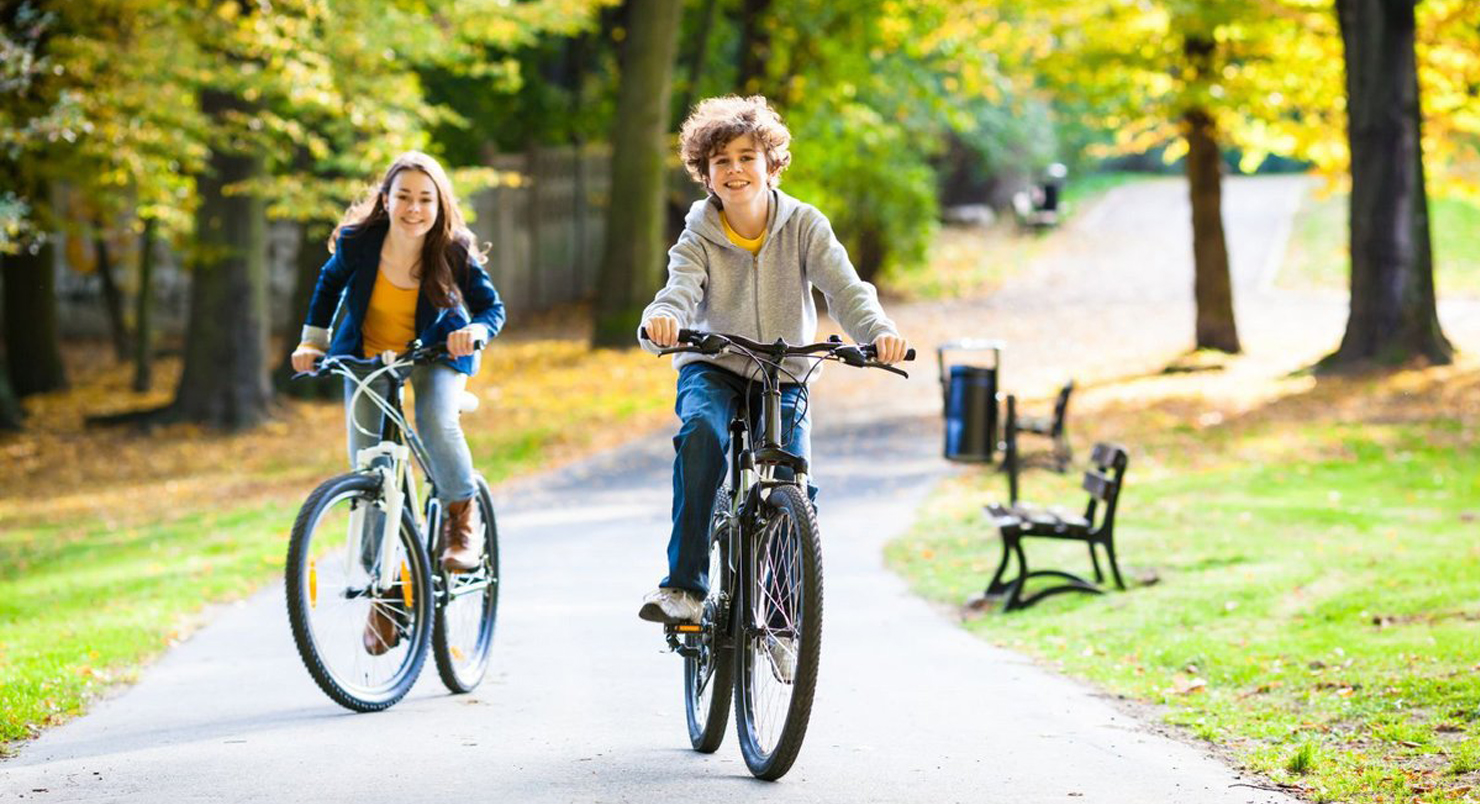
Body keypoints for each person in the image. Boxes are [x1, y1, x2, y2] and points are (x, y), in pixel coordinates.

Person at [636, 95, 909, 627]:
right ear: (706, 174)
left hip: (785, 369)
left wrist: (879, 332)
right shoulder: (699, 233)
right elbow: (678, 290)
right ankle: (684, 588)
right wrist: (662, 320)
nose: (735, 169)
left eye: (745, 157)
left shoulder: (805, 225)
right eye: (721, 162)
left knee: (790, 477)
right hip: (713, 363)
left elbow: (847, 290)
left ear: (771, 163)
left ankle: (783, 620)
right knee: (701, 436)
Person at [290, 151, 505, 654]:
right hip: (367, 356)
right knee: (370, 471)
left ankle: (460, 520)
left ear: (440, 204)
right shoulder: (358, 241)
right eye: (403, 196)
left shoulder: (452, 248)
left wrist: (473, 332)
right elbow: (328, 286)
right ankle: (387, 594)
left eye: (425, 199)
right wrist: (312, 341)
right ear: (385, 201)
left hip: (435, 354)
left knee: (434, 420)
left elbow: (492, 308)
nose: (414, 208)